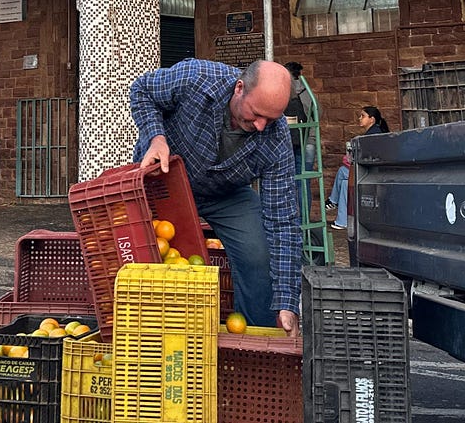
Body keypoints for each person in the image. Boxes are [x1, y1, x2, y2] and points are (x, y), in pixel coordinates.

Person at [131, 58, 301, 335]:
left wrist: (287, 301)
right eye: (257, 114)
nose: (261, 126)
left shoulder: (276, 137)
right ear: (239, 88)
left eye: (270, 119)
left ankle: (256, 339)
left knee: (259, 253)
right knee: (151, 253)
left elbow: (282, 221)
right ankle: (150, 331)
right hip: (163, 182)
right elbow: (142, 90)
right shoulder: (196, 78)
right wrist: (156, 137)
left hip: (225, 193)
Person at [326, 105, 389, 230]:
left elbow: (367, 157)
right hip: (369, 170)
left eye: (363, 116)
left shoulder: (373, 135)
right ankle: (342, 221)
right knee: (345, 184)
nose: (360, 118)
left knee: (342, 171)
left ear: (372, 119)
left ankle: (333, 202)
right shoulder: (372, 133)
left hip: (372, 172)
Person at [283, 62, 318, 220]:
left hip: (289, 141)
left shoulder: (284, 91)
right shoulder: (307, 92)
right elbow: (318, 112)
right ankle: (304, 221)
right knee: (304, 182)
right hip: (308, 140)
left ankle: (291, 220)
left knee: (286, 181)